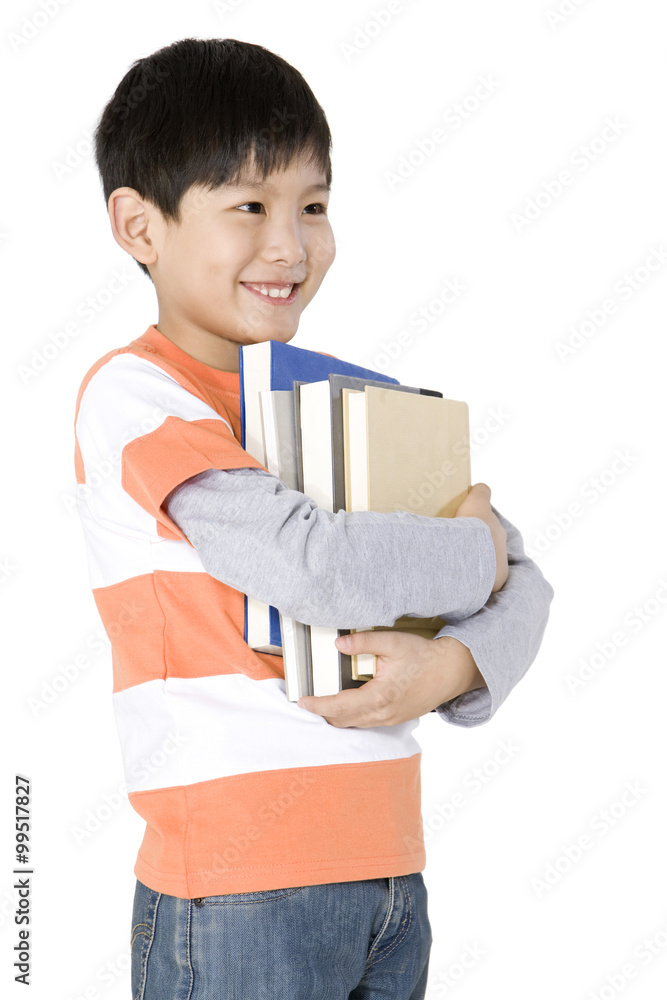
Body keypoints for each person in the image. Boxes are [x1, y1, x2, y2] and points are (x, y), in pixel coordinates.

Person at [73, 36, 554, 1000]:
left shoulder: (333, 398)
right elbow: (314, 565)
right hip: (237, 888)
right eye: (249, 205)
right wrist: (472, 558)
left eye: (313, 205)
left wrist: (454, 663)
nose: (289, 244)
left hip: (386, 875)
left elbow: (523, 572)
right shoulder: (139, 395)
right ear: (139, 226)